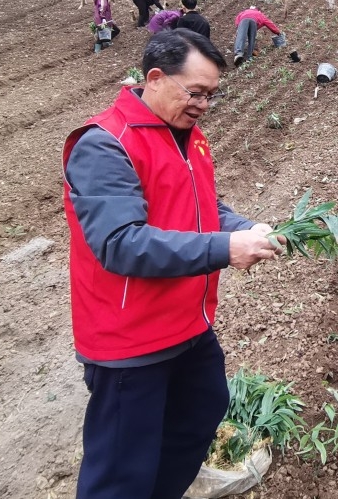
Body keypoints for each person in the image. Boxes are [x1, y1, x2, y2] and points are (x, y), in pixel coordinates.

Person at [62, 29, 283, 499]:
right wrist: (225, 248)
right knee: (122, 471)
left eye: (211, 95)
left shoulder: (188, 137)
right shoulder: (105, 144)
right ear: (156, 78)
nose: (203, 105)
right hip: (131, 338)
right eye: (195, 92)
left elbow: (204, 206)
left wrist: (248, 227)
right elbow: (120, 242)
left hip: (188, 324)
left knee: (202, 411)